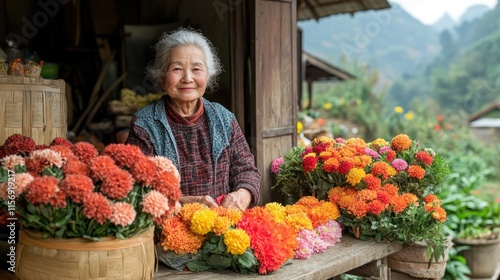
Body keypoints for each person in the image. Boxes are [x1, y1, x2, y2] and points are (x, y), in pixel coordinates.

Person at [126, 27, 261, 211]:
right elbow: (137, 187)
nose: (187, 78)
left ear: (208, 74)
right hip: (168, 232)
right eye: (177, 69)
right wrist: (186, 203)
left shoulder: (224, 118)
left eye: (196, 69)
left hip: (221, 232)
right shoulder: (144, 124)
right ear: (162, 76)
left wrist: (243, 194)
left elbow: (246, 170)